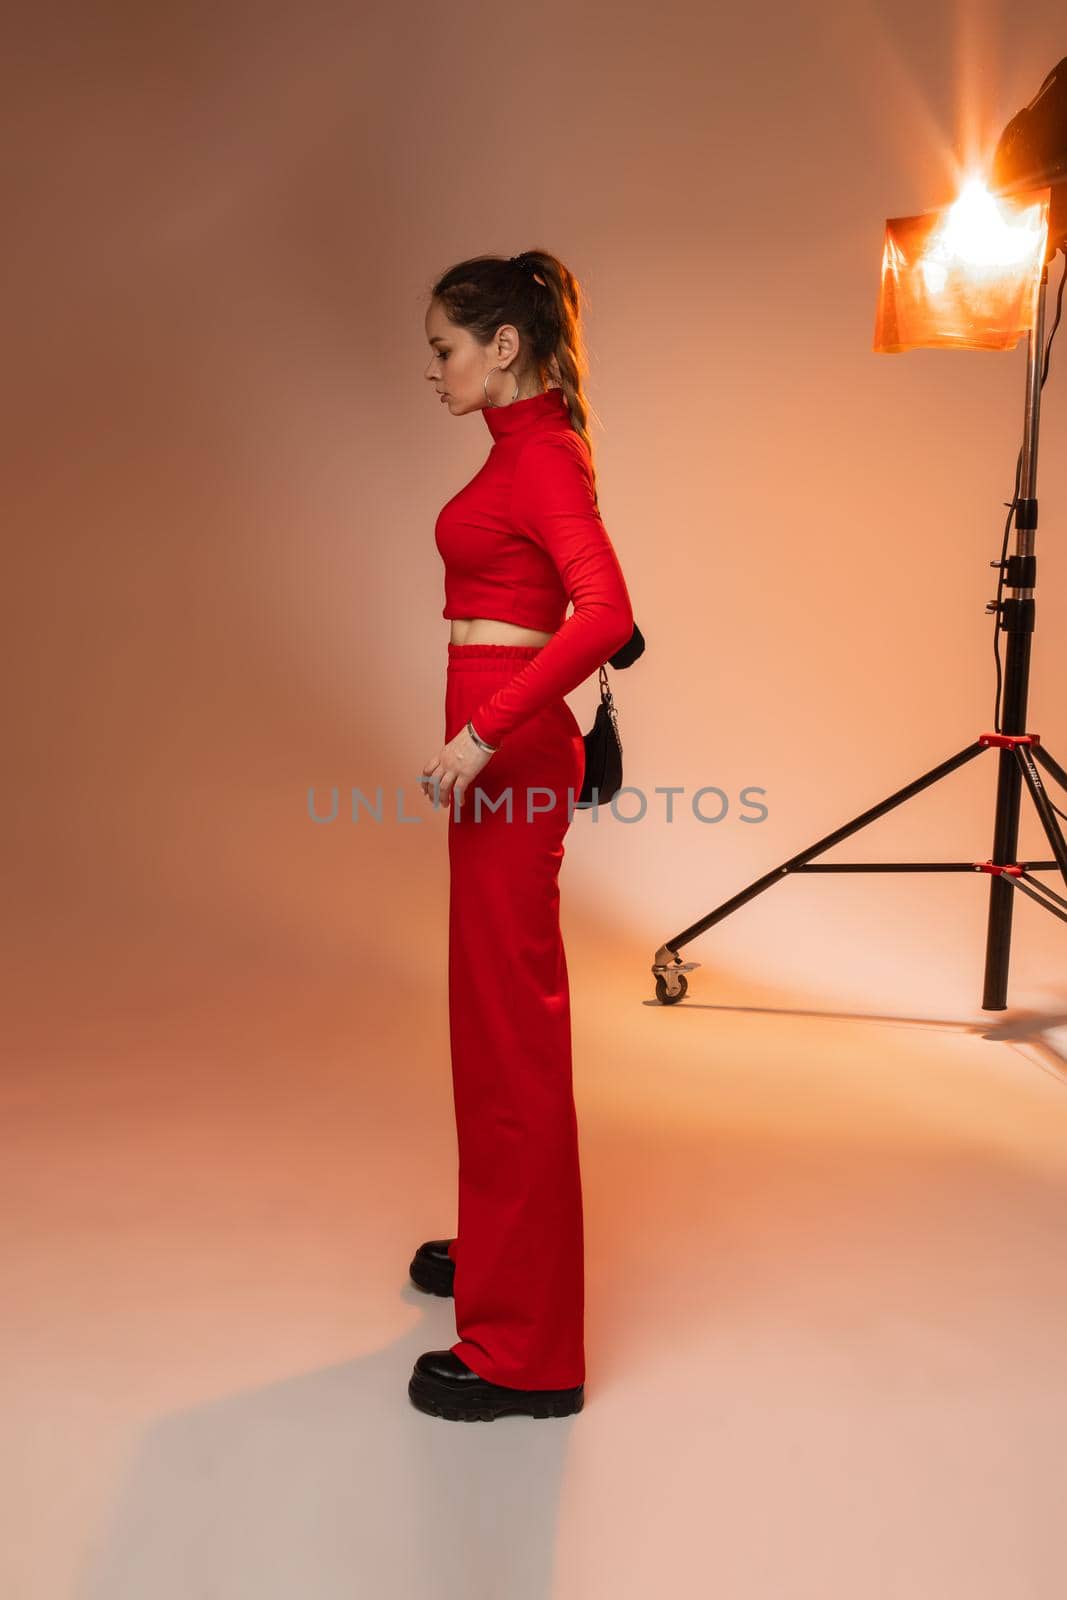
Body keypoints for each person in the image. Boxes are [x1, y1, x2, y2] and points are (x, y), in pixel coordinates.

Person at [407, 249, 635, 1422]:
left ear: (503, 346)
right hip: (493, 764)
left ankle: (527, 1351)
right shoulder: (523, 448)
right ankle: (503, 1252)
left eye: (445, 349)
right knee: (486, 1017)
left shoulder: (541, 453)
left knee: (513, 1027)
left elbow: (607, 612)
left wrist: (483, 730)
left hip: (507, 761)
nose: (433, 371)